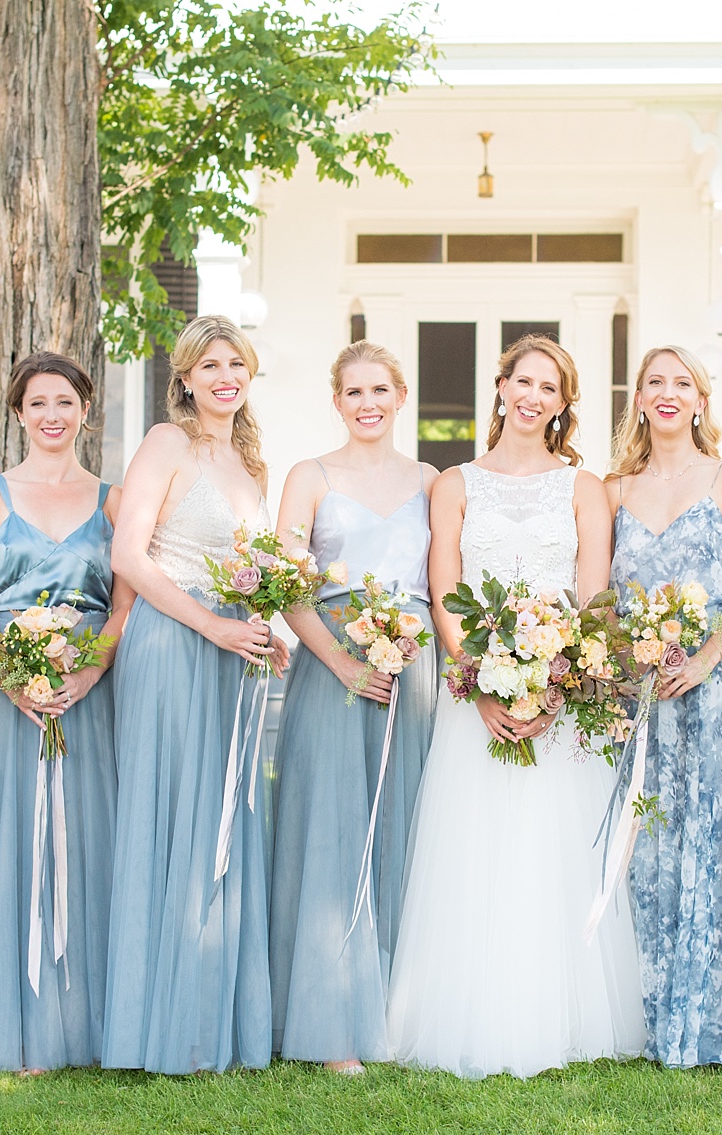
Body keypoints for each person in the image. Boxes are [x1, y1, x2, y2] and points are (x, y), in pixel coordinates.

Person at [386, 334, 646, 1078]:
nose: (533, 396)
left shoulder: (582, 485)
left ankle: (566, 1010)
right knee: (478, 850)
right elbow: (445, 590)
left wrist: (558, 681)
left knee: (554, 849)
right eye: (522, 381)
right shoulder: (455, 482)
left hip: (561, 694)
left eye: (549, 388)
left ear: (564, 404)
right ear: (500, 387)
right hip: (480, 699)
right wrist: (479, 681)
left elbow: (592, 595)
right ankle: (474, 1004)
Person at [0, 352, 132, 1072]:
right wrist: (13, 679)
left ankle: (91, 1021)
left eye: (65, 402)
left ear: (85, 409)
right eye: (38, 403)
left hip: (87, 688)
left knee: (91, 837)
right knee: (9, 843)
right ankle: (15, 1020)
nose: (52, 415)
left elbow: (126, 598)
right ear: (18, 413)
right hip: (6, 689)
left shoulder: (114, 498)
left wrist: (94, 663)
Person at [101, 315, 288, 1074]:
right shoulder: (165, 443)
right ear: (184, 378)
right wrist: (212, 625)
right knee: (168, 814)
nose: (224, 377)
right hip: (171, 643)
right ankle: (156, 1024)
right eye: (208, 365)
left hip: (228, 651)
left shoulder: (252, 465)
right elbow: (130, 556)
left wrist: (260, 628)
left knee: (222, 816)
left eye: (235, 364)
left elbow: (249, 572)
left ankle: (215, 1014)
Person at [603, 345, 722, 1067]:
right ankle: (651, 1014)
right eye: (654, 382)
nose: (667, 393)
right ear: (639, 399)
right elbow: (601, 598)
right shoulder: (614, 488)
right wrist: (634, 661)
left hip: (717, 691)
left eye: (681, 382)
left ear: (701, 400)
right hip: (641, 694)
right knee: (650, 846)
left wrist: (709, 656)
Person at [269, 341, 439, 1072]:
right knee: (332, 832)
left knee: (408, 826)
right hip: (333, 665)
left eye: (380, 389)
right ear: (335, 401)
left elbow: (444, 578)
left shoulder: (433, 478)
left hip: (416, 669)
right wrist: (340, 660)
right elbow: (285, 583)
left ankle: (397, 1009)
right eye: (353, 391)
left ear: (401, 396)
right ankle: (331, 1014)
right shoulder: (310, 475)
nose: (367, 402)